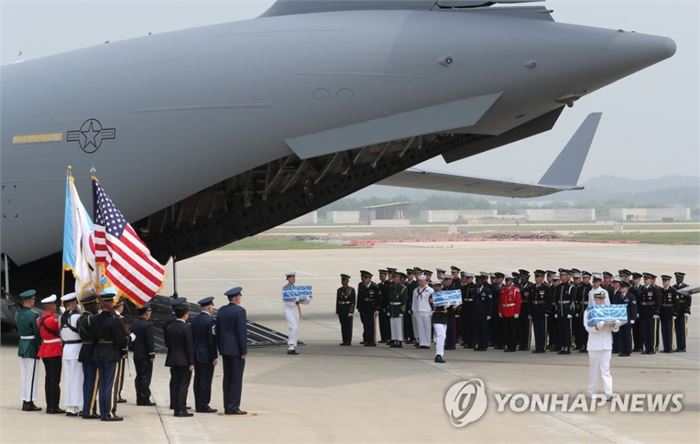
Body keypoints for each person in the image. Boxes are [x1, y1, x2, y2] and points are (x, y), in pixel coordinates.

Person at [92, 292, 128, 421]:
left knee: (102, 385)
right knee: (110, 385)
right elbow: (120, 340)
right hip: (111, 353)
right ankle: (109, 413)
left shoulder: (95, 319)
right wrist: (127, 342)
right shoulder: (114, 320)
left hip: (99, 352)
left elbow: (94, 337)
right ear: (110, 303)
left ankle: (103, 412)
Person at [584, 290, 621, 401]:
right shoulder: (589, 311)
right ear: (594, 299)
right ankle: (591, 392)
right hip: (594, 345)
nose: (600, 301)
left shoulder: (609, 311)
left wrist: (616, 326)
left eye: (602, 299)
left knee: (606, 369)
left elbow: (614, 329)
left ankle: (609, 393)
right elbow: (587, 326)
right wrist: (597, 327)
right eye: (598, 299)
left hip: (607, 344)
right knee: (594, 369)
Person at [217, 287, 248, 415]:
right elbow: (241, 332)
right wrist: (243, 350)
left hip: (225, 348)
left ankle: (227, 405)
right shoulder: (240, 311)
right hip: (236, 349)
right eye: (239, 296)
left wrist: (220, 346)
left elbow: (218, 331)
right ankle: (233, 406)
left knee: (228, 378)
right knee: (236, 378)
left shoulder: (221, 311)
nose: (240, 298)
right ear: (235, 297)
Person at [165, 302, 194, 417]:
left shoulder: (170, 327)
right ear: (185, 314)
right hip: (184, 360)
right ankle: (181, 409)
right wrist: (191, 362)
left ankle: (176, 408)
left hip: (173, 359)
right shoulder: (186, 327)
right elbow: (189, 346)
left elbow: (168, 343)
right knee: (183, 385)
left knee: (176, 384)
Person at [37, 294, 65, 414]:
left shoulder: (40, 319)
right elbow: (62, 326)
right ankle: (54, 406)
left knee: (49, 379)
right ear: (51, 306)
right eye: (55, 305)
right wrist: (63, 315)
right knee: (54, 380)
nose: (56, 306)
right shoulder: (52, 320)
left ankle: (50, 405)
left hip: (45, 349)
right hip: (54, 350)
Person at [16, 289, 42, 412]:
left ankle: (25, 400)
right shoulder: (33, 315)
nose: (33, 301)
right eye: (33, 299)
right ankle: (29, 402)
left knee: (25, 375)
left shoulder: (18, 314)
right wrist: (39, 346)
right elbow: (37, 333)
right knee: (32, 376)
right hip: (31, 346)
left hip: (22, 345)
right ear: (30, 300)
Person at [192, 297, 218, 413]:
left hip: (196, 354)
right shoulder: (210, 321)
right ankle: (204, 404)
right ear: (208, 307)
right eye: (212, 306)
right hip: (206, 355)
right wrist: (214, 356)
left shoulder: (195, 320)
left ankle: (198, 403)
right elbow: (211, 341)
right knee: (205, 380)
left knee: (197, 379)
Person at [59, 292, 83, 416]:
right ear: (73, 303)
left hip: (66, 349)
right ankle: (76, 406)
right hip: (76, 347)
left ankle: (69, 406)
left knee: (68, 378)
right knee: (77, 378)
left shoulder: (61, 317)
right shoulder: (76, 317)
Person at [77, 292, 100, 419]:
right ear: (90, 305)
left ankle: (87, 408)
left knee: (87, 382)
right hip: (92, 351)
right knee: (92, 382)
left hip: (85, 350)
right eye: (96, 304)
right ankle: (89, 410)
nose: (97, 306)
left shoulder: (81, 318)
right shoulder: (92, 319)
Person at [131, 302, 156, 406]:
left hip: (136, 353)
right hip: (145, 355)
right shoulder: (148, 325)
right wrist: (152, 354)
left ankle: (139, 397)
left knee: (139, 376)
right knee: (146, 377)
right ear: (146, 313)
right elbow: (149, 341)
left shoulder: (134, 323)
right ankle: (145, 398)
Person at [112, 297, 130, 406]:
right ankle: (117, 394)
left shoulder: (115, 317)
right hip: (119, 350)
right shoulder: (120, 318)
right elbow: (123, 335)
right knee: (118, 374)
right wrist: (124, 350)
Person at [553, 270, 575, 354]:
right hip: (560, 311)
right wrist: (556, 311)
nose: (562, 277)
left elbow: (573, 301)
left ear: (567, 276)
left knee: (567, 330)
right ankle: (562, 346)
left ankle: (567, 346)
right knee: (561, 329)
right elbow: (556, 300)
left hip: (566, 310)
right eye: (561, 275)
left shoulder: (571, 287)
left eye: (564, 275)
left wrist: (571, 312)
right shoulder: (558, 287)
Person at [639, 273, 662, 354]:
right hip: (643, 313)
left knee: (651, 332)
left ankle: (652, 348)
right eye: (644, 279)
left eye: (647, 279)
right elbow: (640, 301)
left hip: (651, 313)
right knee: (644, 332)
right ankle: (647, 348)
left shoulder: (655, 289)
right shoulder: (642, 289)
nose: (645, 281)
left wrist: (657, 312)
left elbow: (658, 302)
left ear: (650, 280)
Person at [499, 276, 522, 352]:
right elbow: (501, 302)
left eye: (508, 280)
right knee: (506, 330)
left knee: (512, 330)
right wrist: (500, 311)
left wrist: (517, 312)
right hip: (505, 312)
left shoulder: (515, 290)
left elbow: (518, 302)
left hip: (512, 312)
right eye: (506, 281)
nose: (507, 282)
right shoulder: (503, 289)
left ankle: (513, 346)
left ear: (511, 281)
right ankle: (508, 345)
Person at [357, 270, 379, 346]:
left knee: (371, 325)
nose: (363, 280)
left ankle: (372, 341)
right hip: (363, 309)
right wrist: (358, 307)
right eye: (363, 278)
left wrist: (376, 309)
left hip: (371, 309)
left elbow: (378, 299)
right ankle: (367, 339)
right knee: (366, 325)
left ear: (369, 278)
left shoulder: (375, 287)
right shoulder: (361, 285)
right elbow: (359, 297)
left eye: (365, 278)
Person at [530, 270, 551, 353]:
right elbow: (530, 300)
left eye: (538, 277)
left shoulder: (546, 288)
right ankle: (537, 346)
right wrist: (530, 312)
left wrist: (547, 311)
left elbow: (548, 300)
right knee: (536, 330)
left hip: (542, 311)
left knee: (542, 330)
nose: (536, 278)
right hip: (535, 311)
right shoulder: (532, 287)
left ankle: (542, 347)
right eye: (535, 276)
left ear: (542, 278)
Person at [412, 275, 433, 350]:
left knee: (427, 327)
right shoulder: (416, 290)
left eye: (421, 281)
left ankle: (427, 343)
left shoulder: (430, 290)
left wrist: (431, 311)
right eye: (419, 281)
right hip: (418, 311)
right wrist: (414, 310)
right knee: (420, 328)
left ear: (425, 281)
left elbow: (432, 302)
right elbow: (414, 302)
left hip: (427, 311)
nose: (419, 282)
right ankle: (422, 343)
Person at [283, 272, 301, 355]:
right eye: (292, 278)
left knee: (296, 328)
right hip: (288, 309)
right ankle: (291, 345)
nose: (294, 279)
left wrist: (306, 298)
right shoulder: (285, 288)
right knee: (293, 327)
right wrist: (296, 297)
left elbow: (299, 301)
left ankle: (293, 346)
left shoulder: (296, 288)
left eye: (294, 277)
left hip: (295, 309)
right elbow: (287, 298)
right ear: (288, 279)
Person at [474, 274, 493, 351]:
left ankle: (484, 345)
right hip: (477, 314)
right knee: (477, 330)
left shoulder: (487, 290)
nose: (477, 283)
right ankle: (479, 345)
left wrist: (489, 314)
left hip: (484, 314)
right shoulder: (475, 290)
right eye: (476, 281)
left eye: (478, 281)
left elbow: (490, 303)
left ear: (482, 282)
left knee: (484, 330)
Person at [618, 281, 637, 357]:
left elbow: (634, 308)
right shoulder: (619, 296)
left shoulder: (631, 296)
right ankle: (622, 350)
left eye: (622, 287)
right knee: (621, 335)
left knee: (627, 335)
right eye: (620, 287)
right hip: (620, 319)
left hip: (628, 319)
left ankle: (628, 350)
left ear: (626, 288)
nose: (621, 289)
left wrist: (633, 318)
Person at [659, 275, 677, 353]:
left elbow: (676, 303)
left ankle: (670, 348)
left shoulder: (673, 291)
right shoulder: (661, 290)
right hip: (663, 314)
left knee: (669, 331)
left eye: (665, 281)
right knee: (664, 331)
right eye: (663, 281)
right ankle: (665, 347)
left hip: (670, 314)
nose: (664, 282)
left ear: (669, 282)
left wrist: (675, 314)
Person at [336, 274, 356, 346]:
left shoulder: (351, 290)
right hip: (342, 309)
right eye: (342, 280)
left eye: (344, 280)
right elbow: (337, 301)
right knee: (343, 325)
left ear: (347, 281)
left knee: (348, 326)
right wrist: (337, 311)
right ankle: (344, 340)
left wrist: (351, 311)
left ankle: (348, 340)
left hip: (348, 309)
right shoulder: (339, 290)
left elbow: (353, 301)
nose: (343, 281)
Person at [673, 272, 690, 352]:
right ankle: (678, 346)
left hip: (683, 311)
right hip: (676, 311)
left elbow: (688, 300)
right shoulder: (674, 287)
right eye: (676, 278)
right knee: (676, 329)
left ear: (682, 278)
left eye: (679, 278)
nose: (677, 279)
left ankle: (682, 347)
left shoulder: (686, 287)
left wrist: (687, 311)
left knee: (682, 330)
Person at [518, 270, 534, 351]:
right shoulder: (519, 286)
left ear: (527, 278)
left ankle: (526, 344)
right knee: (520, 327)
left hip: (527, 309)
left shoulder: (531, 286)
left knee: (527, 328)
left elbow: (531, 300)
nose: (522, 279)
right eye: (521, 277)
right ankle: (521, 344)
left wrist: (531, 311)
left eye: (523, 277)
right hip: (520, 309)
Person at [460, 273, 476, 349]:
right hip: (466, 307)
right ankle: (466, 341)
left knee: (472, 326)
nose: (467, 279)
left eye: (469, 278)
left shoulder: (474, 287)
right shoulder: (464, 287)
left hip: (472, 307)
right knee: (465, 326)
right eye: (467, 278)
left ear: (472, 279)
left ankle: (472, 342)